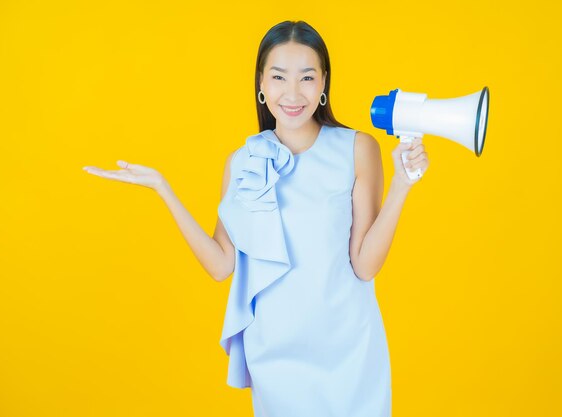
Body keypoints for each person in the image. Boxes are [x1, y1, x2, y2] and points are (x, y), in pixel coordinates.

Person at [83, 20, 429, 417]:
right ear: (261, 85)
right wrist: (164, 188)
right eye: (279, 77)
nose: (293, 92)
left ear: (323, 85)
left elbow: (365, 266)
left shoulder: (357, 148)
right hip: (276, 356)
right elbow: (220, 265)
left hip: (349, 352)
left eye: (307, 77)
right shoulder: (243, 162)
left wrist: (403, 183)